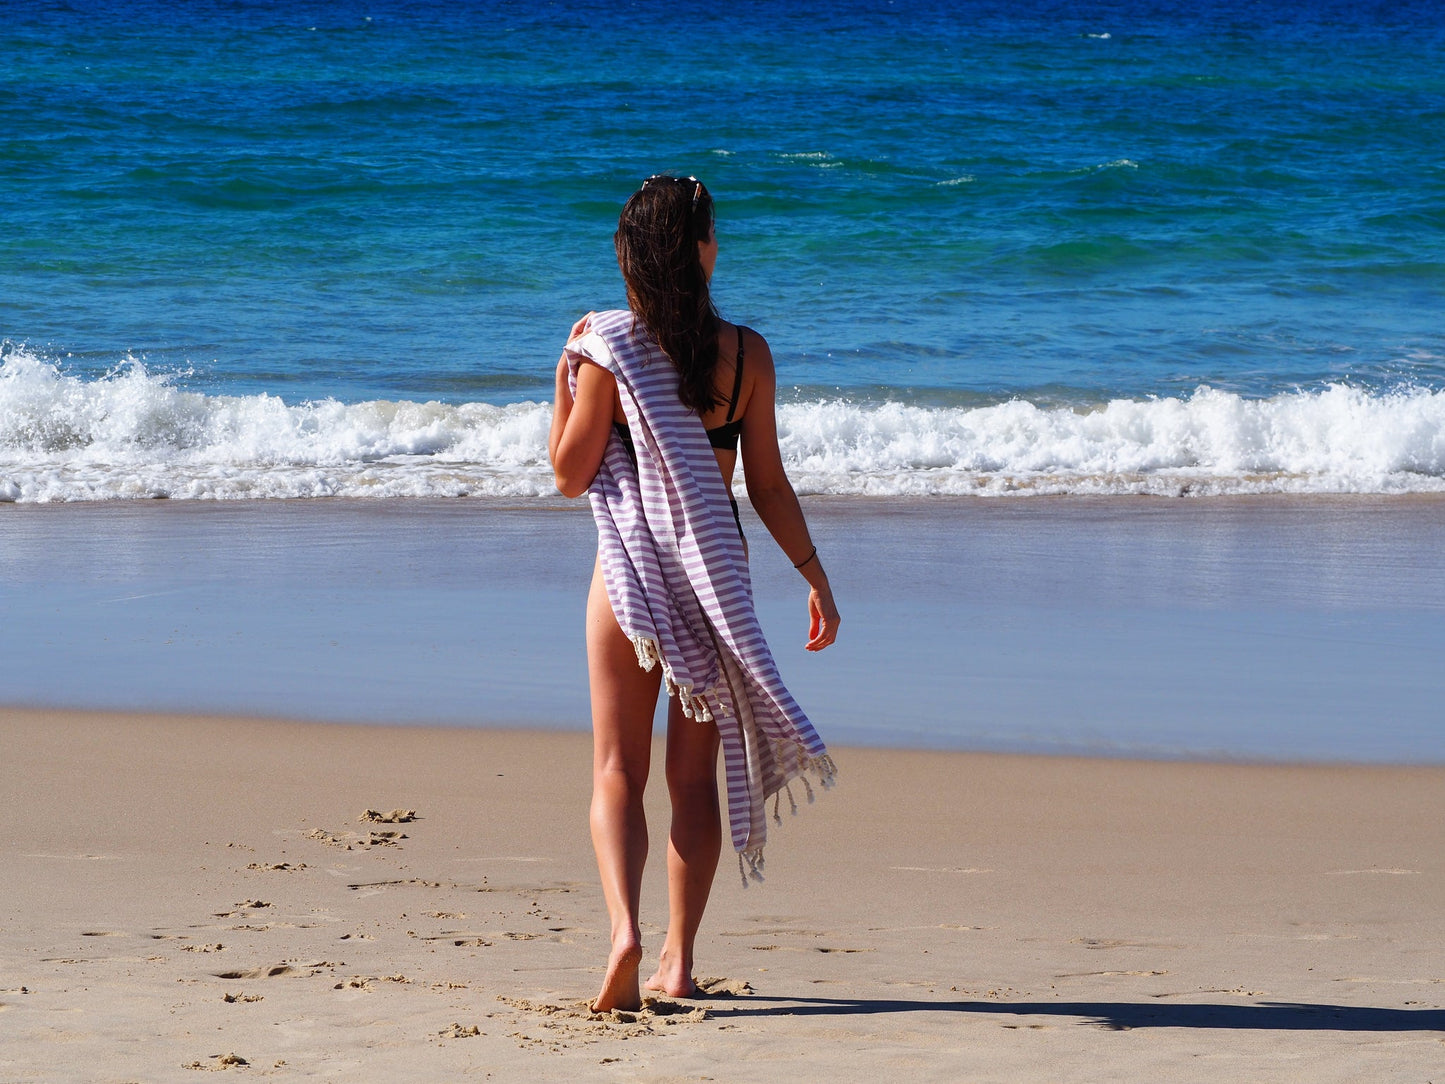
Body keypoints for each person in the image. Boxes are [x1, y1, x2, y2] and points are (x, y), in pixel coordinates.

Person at [548, 175, 839, 1014]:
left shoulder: (607, 347)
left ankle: (623, 937)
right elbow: (770, 486)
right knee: (690, 783)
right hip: (714, 584)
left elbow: (570, 475)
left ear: (630, 254)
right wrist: (815, 575)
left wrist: (560, 379)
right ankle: (677, 961)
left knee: (615, 769)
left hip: (630, 579)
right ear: (702, 248)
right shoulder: (746, 354)